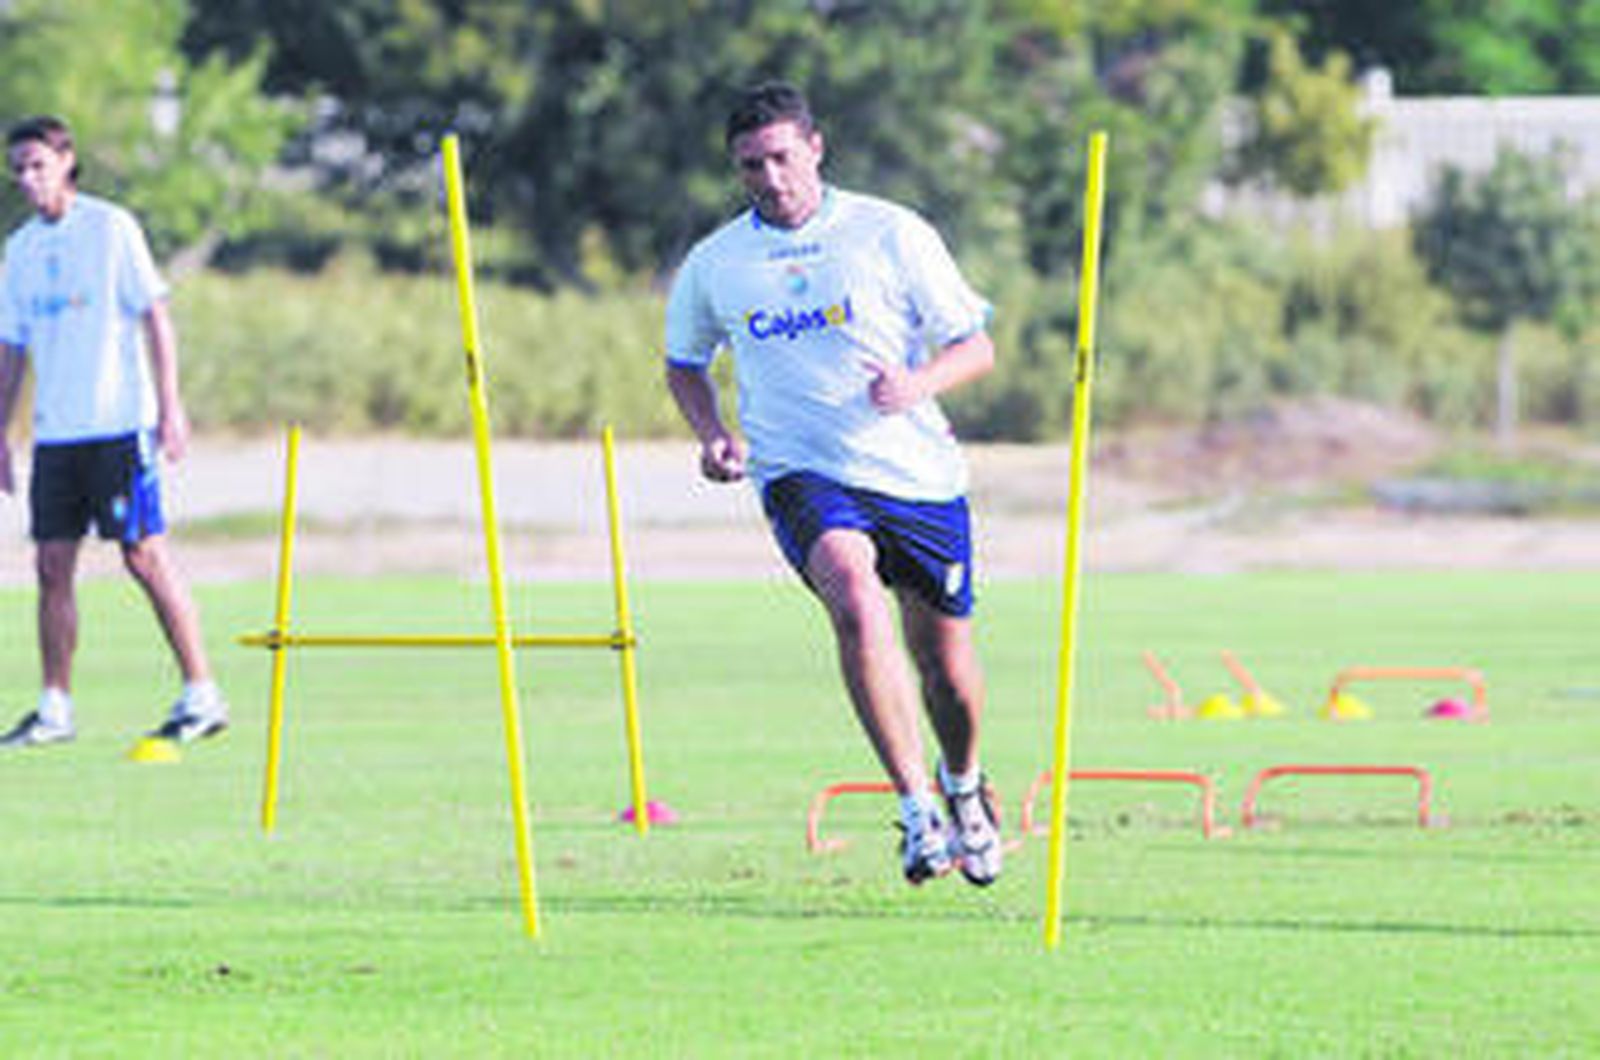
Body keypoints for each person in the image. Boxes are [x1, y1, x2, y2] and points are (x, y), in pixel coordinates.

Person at [664, 83, 1001, 886]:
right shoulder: (716, 262)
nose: (770, 177)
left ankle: (963, 787)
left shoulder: (889, 232)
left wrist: (916, 386)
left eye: (782, 157)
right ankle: (917, 810)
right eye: (752, 165)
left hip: (917, 474)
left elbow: (974, 347)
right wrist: (714, 434)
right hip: (802, 472)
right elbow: (684, 364)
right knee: (852, 597)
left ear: (816, 148)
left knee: (946, 668)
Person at [0, 115, 228, 749]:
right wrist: (1, 431)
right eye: (17, 167)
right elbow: (11, 349)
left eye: (38, 164)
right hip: (57, 436)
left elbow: (156, 316)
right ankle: (54, 708)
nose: (27, 178)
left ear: (67, 161)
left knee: (143, 555)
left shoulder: (110, 228)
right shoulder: (18, 251)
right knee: (50, 566)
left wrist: (172, 406)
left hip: (120, 425)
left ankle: (202, 693)